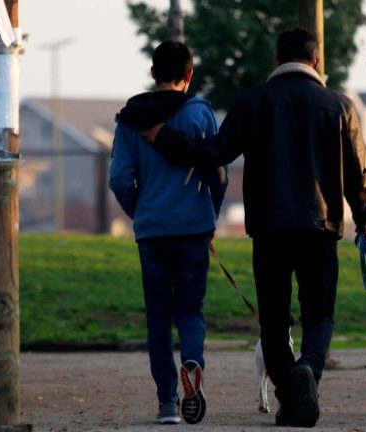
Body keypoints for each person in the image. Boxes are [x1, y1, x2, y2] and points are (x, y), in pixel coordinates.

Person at [142, 29, 366, 428]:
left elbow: (213, 153)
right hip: (320, 229)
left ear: (276, 61)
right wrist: (365, 215)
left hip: (269, 230)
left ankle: (291, 399)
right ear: (317, 62)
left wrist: (165, 137)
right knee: (319, 315)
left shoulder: (254, 102)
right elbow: (356, 171)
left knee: (274, 321)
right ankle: (309, 372)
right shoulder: (340, 106)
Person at [109, 40, 227, 425]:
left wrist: (140, 211)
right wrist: (211, 214)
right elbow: (217, 171)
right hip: (194, 227)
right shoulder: (200, 113)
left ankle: (167, 404)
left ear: (153, 73)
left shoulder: (131, 117)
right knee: (191, 309)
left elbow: (119, 179)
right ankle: (192, 362)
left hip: (153, 232)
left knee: (158, 317)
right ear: (189, 75)